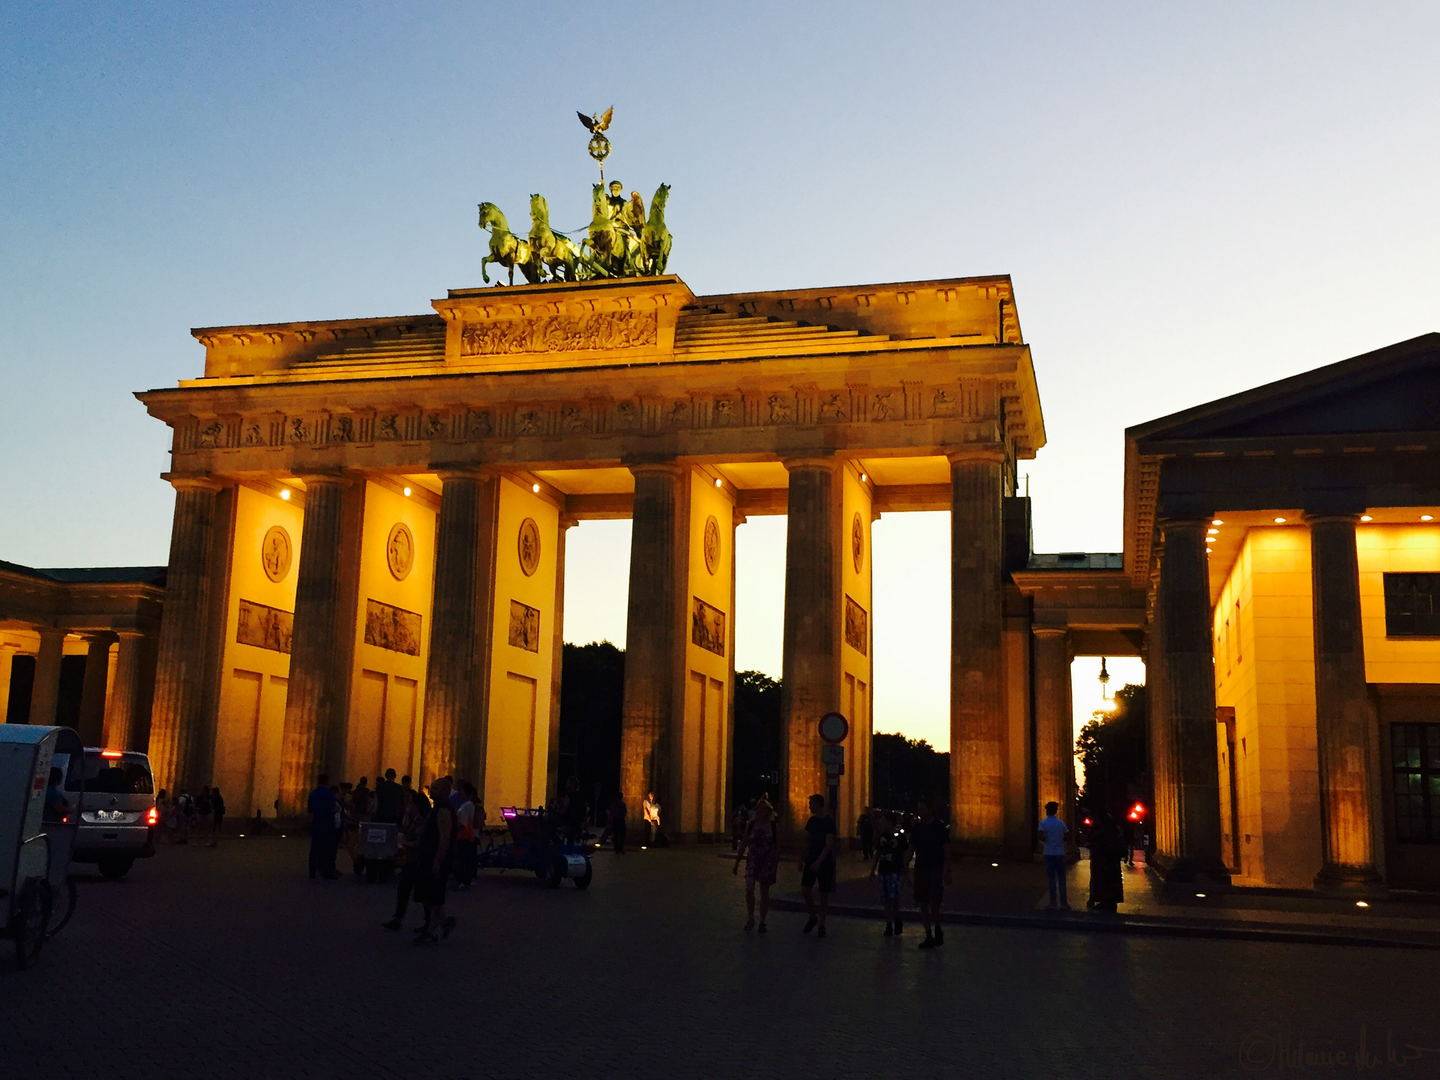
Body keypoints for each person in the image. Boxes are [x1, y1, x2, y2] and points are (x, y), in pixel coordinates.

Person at [414, 776, 458, 944]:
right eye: (432, 788)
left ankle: (432, 930)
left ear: (445, 792)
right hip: (430, 857)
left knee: (433, 893)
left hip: (437, 859)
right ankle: (445, 922)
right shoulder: (438, 808)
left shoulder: (444, 810)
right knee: (431, 895)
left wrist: (438, 860)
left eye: (436, 789)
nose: (432, 792)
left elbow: (445, 837)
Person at [382, 788, 431, 931]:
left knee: (419, 892)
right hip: (411, 860)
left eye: (411, 804)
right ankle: (401, 917)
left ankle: (430, 920)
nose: (409, 806)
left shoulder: (422, 822)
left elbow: (420, 842)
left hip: (417, 861)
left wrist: (405, 843)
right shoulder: (414, 819)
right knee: (406, 888)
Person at [732, 798, 779, 932]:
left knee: (764, 893)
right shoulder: (751, 824)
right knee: (749, 887)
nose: (761, 811)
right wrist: (737, 863)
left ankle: (762, 922)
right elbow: (744, 843)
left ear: (768, 811)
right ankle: (751, 917)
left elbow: (777, 848)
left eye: (764, 808)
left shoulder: (774, 827)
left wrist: (775, 866)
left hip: (767, 861)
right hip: (753, 860)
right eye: (759, 808)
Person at [910, 798, 949, 949]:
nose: (920, 812)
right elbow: (912, 847)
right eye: (919, 809)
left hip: (935, 869)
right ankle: (928, 934)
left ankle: (937, 928)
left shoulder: (939, 827)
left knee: (934, 902)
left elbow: (946, 849)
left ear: (930, 809)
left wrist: (948, 869)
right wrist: (905, 865)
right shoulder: (918, 828)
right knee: (923, 903)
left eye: (922, 809)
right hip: (921, 869)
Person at [799, 793, 837, 938]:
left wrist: (819, 861)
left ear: (818, 804)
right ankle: (812, 915)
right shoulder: (811, 821)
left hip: (824, 861)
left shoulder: (828, 822)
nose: (809, 806)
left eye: (811, 803)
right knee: (805, 889)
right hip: (811, 858)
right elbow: (807, 842)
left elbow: (829, 844)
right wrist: (801, 859)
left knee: (823, 894)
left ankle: (822, 923)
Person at [869, 809, 908, 936]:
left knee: (894, 898)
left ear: (889, 822)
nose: (880, 822)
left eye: (883, 820)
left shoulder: (900, 837)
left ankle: (897, 918)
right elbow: (878, 853)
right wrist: (872, 870)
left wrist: (905, 869)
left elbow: (904, 853)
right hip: (884, 870)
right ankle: (888, 924)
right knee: (885, 898)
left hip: (895, 870)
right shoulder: (882, 836)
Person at [1087, 808, 1125, 912]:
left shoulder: (1102, 828)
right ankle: (1108, 901)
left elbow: (1096, 839)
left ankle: (1105, 901)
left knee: (1103, 880)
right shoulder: (1110, 826)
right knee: (1109, 880)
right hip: (1109, 858)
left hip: (1103, 858)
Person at [1038, 801, 1070, 910]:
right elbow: (1066, 837)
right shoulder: (1061, 823)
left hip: (1049, 852)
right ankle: (1064, 903)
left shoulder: (1043, 823)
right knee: (1062, 878)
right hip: (1060, 852)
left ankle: (1052, 902)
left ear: (1047, 810)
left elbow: (1041, 837)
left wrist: (1048, 839)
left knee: (1051, 878)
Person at [307, 773, 339, 880]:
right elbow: (334, 808)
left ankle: (312, 871)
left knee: (314, 848)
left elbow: (310, 810)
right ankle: (326, 872)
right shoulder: (329, 794)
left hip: (317, 822)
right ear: (327, 782)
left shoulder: (313, 794)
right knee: (327, 849)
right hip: (327, 823)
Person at [455, 782, 478, 889]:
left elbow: (463, 822)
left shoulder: (467, 805)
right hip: (465, 834)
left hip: (464, 834)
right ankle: (464, 879)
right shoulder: (466, 804)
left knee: (462, 858)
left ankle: (463, 880)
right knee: (464, 858)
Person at [562, 776, 587, 843]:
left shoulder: (570, 796)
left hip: (570, 821)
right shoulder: (580, 796)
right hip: (575, 822)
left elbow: (565, 808)